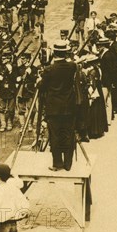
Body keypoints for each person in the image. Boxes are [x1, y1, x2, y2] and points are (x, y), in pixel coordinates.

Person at [38, 40, 78, 171]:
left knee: (55, 135)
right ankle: (68, 163)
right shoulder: (72, 66)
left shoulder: (49, 70)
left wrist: (39, 81)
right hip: (69, 107)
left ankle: (57, 163)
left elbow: (42, 86)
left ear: (54, 53)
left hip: (54, 108)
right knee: (68, 134)